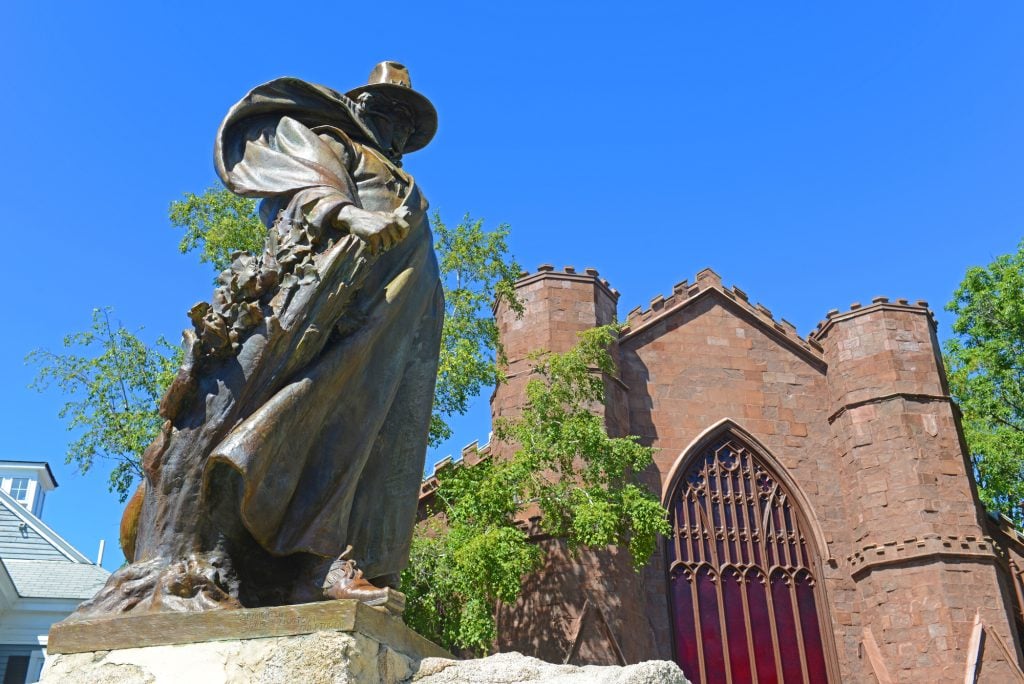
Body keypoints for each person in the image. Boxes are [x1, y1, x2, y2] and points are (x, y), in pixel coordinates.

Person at [74, 62, 443, 616]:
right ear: (357, 106)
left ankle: (331, 566)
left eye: (405, 119)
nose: (395, 124)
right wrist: (347, 214)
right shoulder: (329, 140)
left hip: (402, 318)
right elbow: (302, 185)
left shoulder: (403, 181)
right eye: (384, 109)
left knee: (381, 439)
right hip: (337, 308)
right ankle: (285, 558)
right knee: (309, 415)